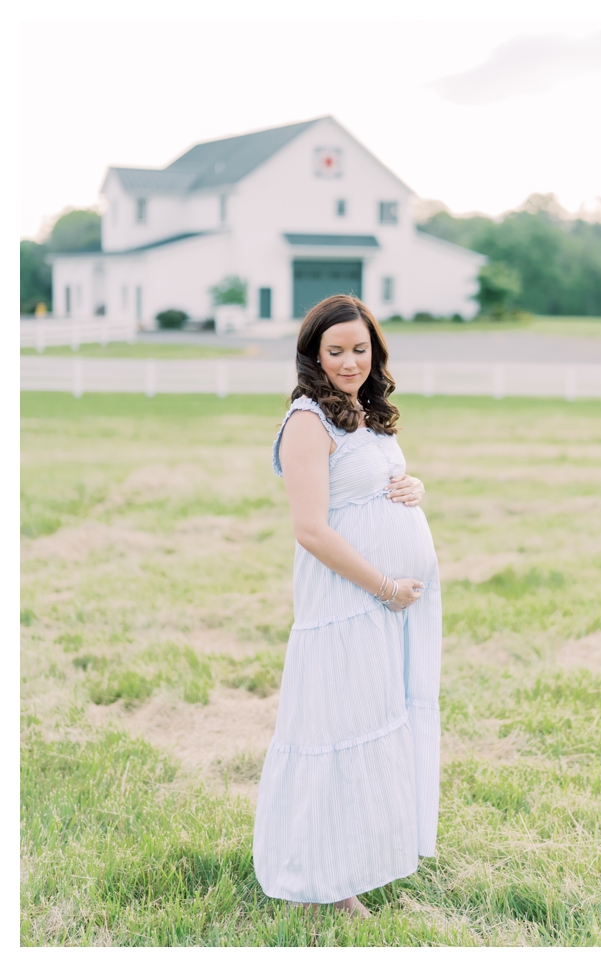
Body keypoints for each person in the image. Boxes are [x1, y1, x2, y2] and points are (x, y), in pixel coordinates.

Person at [253, 295, 441, 916]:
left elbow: (369, 489)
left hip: (380, 609)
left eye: (360, 349)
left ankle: (354, 862)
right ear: (313, 354)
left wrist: (410, 488)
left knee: (368, 730)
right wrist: (385, 586)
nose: (350, 361)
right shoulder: (309, 421)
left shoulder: (366, 412)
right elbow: (311, 529)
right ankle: (323, 885)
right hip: (345, 604)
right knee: (335, 731)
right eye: (335, 351)